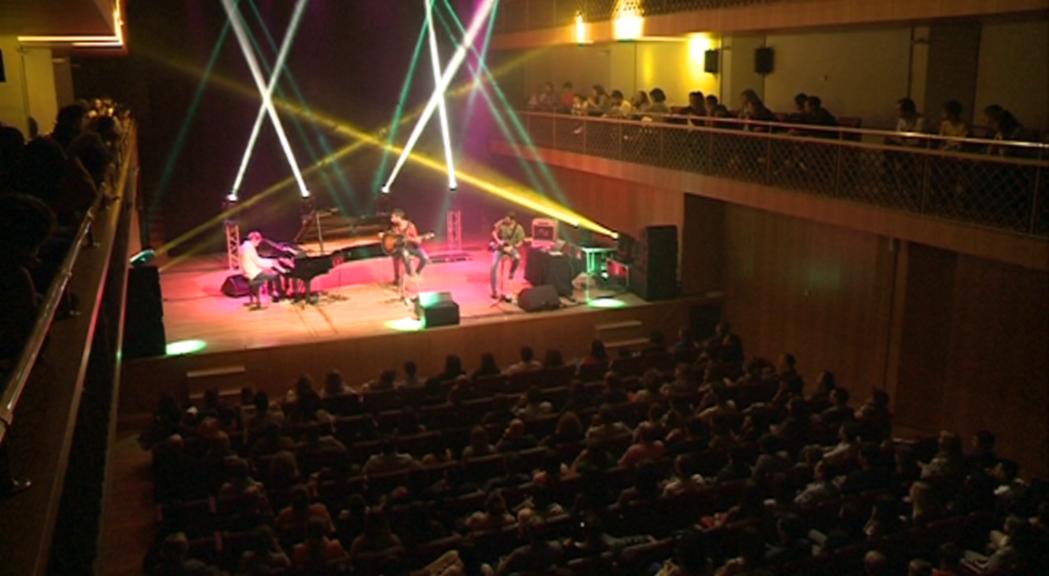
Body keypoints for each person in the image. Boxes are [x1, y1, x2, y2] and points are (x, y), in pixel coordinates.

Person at [385, 209, 430, 301]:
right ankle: (410, 274)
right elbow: (391, 238)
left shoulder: (410, 226)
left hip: (412, 247)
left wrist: (417, 240)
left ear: (399, 217)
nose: (391, 218)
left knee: (425, 257)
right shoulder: (394, 227)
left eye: (393, 217)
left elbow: (416, 240)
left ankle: (416, 273)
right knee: (404, 254)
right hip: (400, 249)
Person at [239, 230, 289, 308]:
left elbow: (254, 261)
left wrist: (269, 264)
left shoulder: (243, 246)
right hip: (253, 273)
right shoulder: (249, 247)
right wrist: (272, 262)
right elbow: (258, 262)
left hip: (246, 271)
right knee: (276, 275)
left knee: (270, 271)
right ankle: (278, 294)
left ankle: (271, 292)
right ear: (254, 239)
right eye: (258, 242)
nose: (258, 245)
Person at [489, 212, 526, 302]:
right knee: (494, 267)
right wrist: (498, 241)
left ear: (512, 219)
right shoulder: (502, 225)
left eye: (507, 218)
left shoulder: (519, 228)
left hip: (510, 248)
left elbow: (521, 241)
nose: (505, 220)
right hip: (500, 248)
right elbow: (493, 232)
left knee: (517, 257)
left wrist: (513, 247)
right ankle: (494, 292)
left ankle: (511, 273)